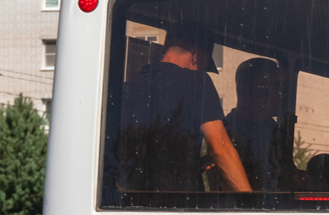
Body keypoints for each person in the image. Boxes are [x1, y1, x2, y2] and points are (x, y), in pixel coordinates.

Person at [117, 31, 251, 193]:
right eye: (204, 63)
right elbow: (220, 147)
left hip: (130, 200)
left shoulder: (125, 88)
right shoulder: (197, 81)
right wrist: (249, 202)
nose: (201, 70)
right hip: (179, 202)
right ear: (196, 55)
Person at [223, 58, 291, 190]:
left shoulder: (273, 128)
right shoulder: (230, 132)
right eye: (277, 87)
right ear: (258, 90)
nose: (282, 95)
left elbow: (288, 172)